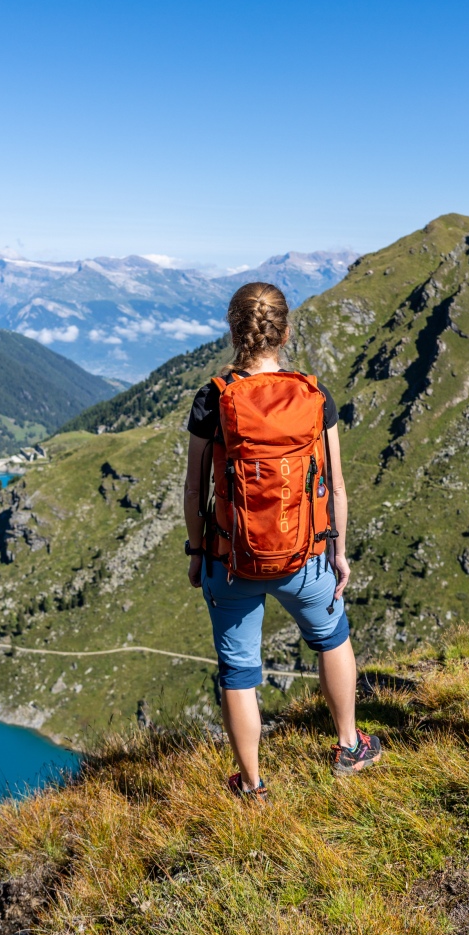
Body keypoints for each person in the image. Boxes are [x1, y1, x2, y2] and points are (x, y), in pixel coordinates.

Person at [183, 282, 382, 801]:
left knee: (238, 670)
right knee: (332, 638)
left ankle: (252, 784)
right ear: (285, 332)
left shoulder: (215, 397)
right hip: (307, 556)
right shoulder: (314, 396)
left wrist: (197, 549)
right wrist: (337, 553)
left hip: (231, 559)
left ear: (233, 331)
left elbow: (195, 485)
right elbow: (335, 484)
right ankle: (348, 746)